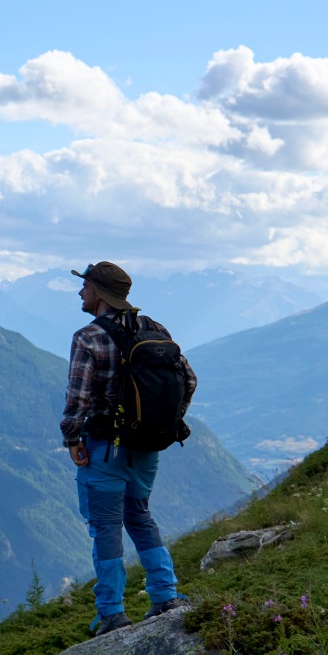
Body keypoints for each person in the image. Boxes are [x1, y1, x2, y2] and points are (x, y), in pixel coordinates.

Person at [61, 261, 194, 635]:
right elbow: (189, 380)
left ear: (100, 293)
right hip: (147, 447)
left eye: (85, 286)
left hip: (104, 449)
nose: (80, 292)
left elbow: (78, 397)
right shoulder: (155, 329)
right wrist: (163, 423)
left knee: (105, 527)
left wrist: (72, 438)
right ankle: (165, 594)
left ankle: (112, 612)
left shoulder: (88, 337)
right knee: (139, 515)